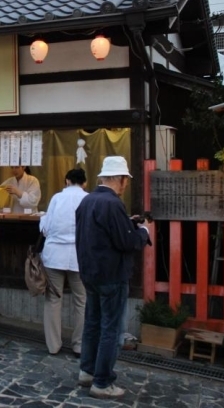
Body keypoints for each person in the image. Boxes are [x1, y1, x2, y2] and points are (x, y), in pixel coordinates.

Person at [75, 156, 149, 399]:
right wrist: (144, 231)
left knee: (92, 323)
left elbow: (101, 233)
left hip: (90, 272)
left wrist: (128, 224)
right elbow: (126, 241)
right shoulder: (113, 203)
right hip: (111, 274)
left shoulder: (88, 201)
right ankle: (102, 381)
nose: (125, 184)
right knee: (110, 328)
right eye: (125, 180)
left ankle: (87, 371)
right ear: (120, 180)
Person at [39, 168, 87, 356]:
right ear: (84, 182)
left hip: (54, 255)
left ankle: (53, 345)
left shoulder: (57, 198)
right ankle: (79, 345)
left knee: (53, 299)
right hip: (79, 256)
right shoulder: (88, 199)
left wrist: (42, 219)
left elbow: (46, 228)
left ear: (67, 181)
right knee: (81, 301)